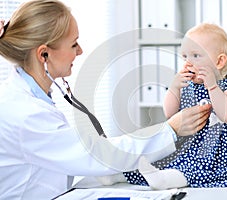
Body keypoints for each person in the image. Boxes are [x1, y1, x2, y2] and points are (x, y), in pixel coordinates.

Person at [0, 1, 211, 199]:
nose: (80, 51)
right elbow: (96, 155)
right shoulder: (24, 113)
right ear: (44, 55)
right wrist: (170, 130)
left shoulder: (28, 98)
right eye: (74, 44)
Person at [121, 23, 227, 189]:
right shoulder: (187, 87)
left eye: (195, 55)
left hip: (216, 153)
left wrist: (212, 86)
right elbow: (170, 114)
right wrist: (174, 88)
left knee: (193, 168)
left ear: (219, 61)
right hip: (185, 146)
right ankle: (117, 174)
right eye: (185, 56)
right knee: (152, 158)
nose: (188, 62)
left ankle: (165, 180)